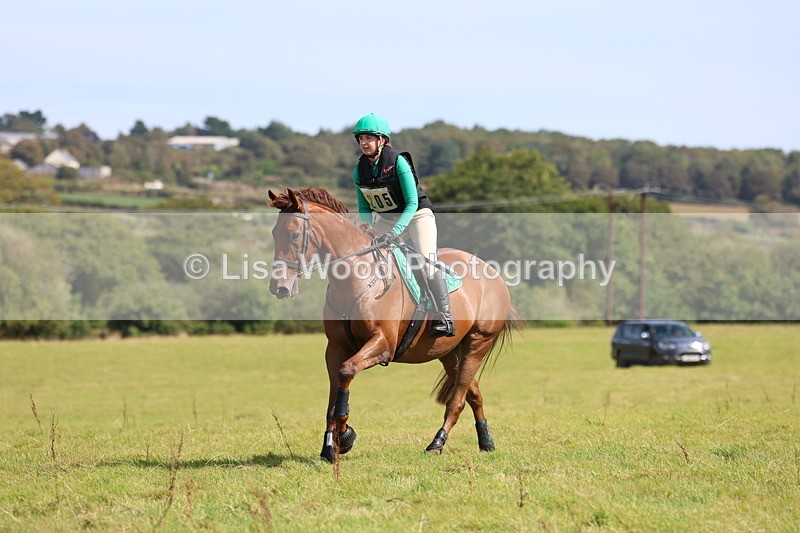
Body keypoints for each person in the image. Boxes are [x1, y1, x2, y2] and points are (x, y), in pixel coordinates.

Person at [351, 113, 454, 338]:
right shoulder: (360, 170)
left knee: (426, 262)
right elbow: (365, 209)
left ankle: (445, 317)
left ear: (383, 140)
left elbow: (412, 202)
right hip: (387, 220)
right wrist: (367, 233)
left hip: (417, 215)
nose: (364, 143)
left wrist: (397, 232)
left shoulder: (398, 161)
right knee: (366, 257)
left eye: (369, 138)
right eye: (361, 139)